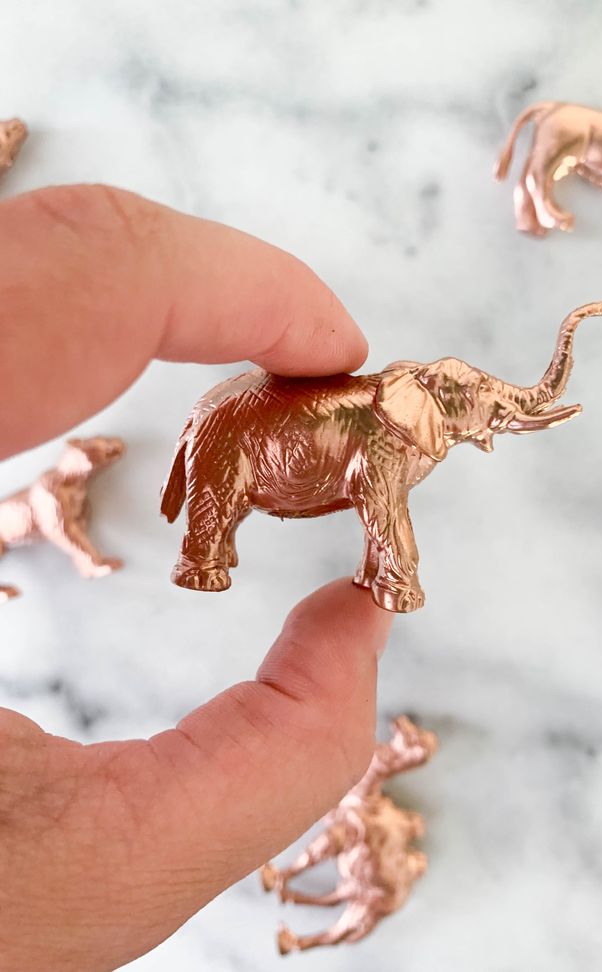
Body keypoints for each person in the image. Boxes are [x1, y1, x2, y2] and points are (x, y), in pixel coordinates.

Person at [0, 185, 393, 971]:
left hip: (305, 443)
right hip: (270, 444)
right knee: (217, 507)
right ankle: (205, 554)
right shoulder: (58, 494)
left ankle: (209, 551)